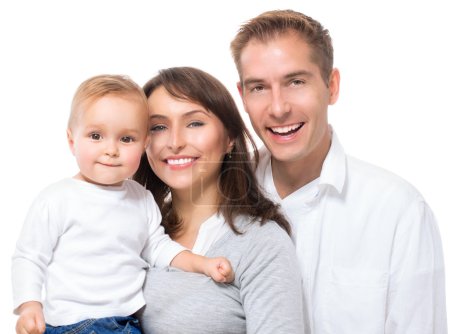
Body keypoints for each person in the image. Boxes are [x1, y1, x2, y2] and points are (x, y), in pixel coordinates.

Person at [230, 9, 447, 334]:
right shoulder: (221, 196)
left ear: (332, 86)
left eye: (296, 81)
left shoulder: (398, 211)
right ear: (242, 96)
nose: (278, 108)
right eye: (259, 87)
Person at [11, 74, 234, 334]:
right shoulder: (58, 199)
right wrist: (29, 306)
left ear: (144, 145)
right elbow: (29, 257)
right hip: (77, 324)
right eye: (96, 136)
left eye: (126, 139)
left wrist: (203, 264)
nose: (111, 149)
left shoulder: (141, 198)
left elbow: (158, 248)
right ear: (72, 141)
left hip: (126, 322)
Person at [133, 66, 305, 334]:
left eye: (194, 123)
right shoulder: (131, 230)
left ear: (229, 138)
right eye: (158, 127)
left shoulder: (261, 243)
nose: (175, 142)